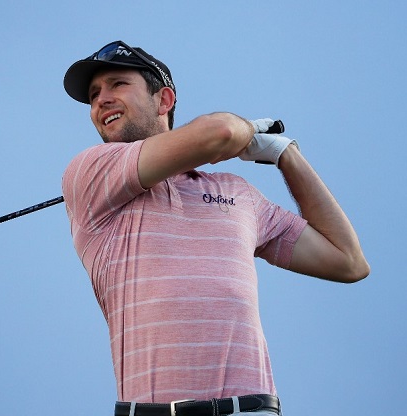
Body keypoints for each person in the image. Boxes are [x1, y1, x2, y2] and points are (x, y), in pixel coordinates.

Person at [61, 40, 370, 416]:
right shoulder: (92, 171)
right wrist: (243, 129)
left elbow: (348, 261)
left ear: (164, 100)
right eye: (94, 94)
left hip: (250, 410)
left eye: (116, 85)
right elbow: (221, 132)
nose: (100, 100)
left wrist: (285, 154)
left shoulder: (236, 192)